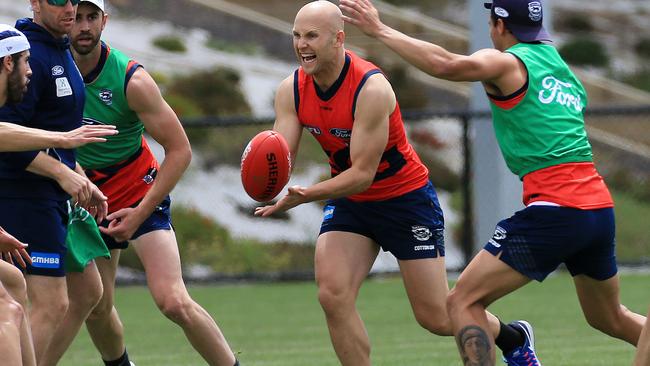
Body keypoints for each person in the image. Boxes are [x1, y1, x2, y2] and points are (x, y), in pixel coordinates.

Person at [340, 0, 647, 364]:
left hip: (556, 209)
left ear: (499, 25)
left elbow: (445, 64)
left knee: (462, 301)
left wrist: (380, 30)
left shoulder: (507, 62)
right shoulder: (564, 72)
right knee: (608, 318)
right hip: (597, 209)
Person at [254, 2, 519, 365]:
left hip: (404, 200)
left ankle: (513, 336)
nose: (302, 44)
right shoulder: (292, 90)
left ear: (338, 39)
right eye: (297, 35)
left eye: (312, 36)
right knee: (332, 295)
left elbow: (362, 174)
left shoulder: (371, 88)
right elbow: (280, 156)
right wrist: (265, 176)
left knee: (437, 318)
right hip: (351, 203)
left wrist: (307, 195)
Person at [43, 1, 238, 365]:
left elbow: (180, 150)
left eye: (93, 17)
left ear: (106, 21)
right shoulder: (51, 73)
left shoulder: (132, 80)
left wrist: (139, 212)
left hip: (138, 193)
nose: (84, 27)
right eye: (78, 18)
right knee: (96, 307)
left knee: (173, 301)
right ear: (65, 19)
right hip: (86, 200)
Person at [0, 1, 108, 363]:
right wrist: (62, 167)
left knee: (87, 291)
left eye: (74, 1)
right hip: (23, 195)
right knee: (42, 303)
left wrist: (77, 176)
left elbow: (48, 134)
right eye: (58, 0)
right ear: (35, 3)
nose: (70, 9)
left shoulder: (58, 50)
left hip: (51, 195)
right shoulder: (24, 55)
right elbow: (7, 139)